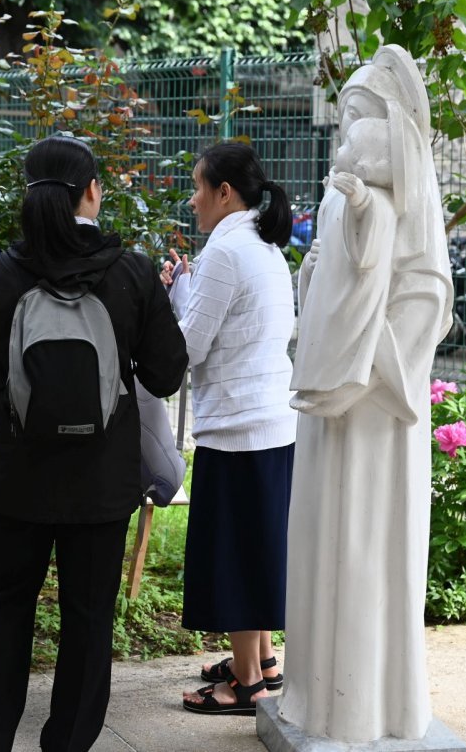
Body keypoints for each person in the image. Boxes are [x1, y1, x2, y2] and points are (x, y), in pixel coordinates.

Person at [0, 135, 187, 752]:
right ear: (91, 193)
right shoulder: (131, 271)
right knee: (87, 617)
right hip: (101, 484)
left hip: (17, 477)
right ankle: (68, 743)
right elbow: (166, 373)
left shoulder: (1, 271)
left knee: (3, 608)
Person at [279, 44, 453, 743]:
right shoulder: (338, 193)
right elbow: (328, 283)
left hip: (381, 405)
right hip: (331, 404)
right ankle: (315, 694)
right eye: (344, 118)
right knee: (324, 540)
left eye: (360, 116)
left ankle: (368, 707)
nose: (349, 135)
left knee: (369, 549)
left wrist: (372, 352)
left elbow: (428, 295)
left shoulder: (413, 202)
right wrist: (316, 284)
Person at [169, 143, 297, 716]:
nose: (192, 200)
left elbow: (189, 347)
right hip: (270, 422)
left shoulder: (226, 251)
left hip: (238, 429)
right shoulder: (263, 245)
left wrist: (173, 297)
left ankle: (245, 685)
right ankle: (264, 662)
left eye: (198, 187)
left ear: (225, 192)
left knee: (239, 556)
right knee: (257, 547)